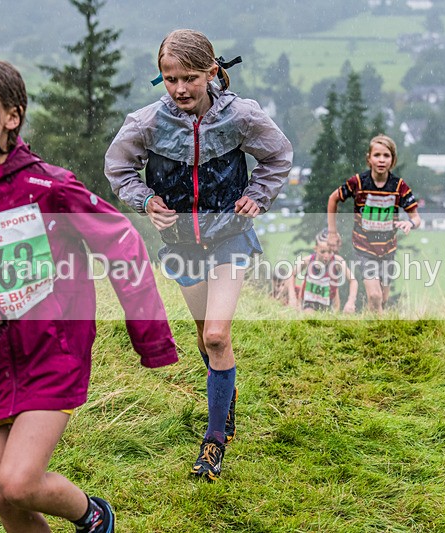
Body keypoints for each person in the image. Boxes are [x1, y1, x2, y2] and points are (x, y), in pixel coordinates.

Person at [0, 58, 178, 533]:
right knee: (2, 496)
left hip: (54, 350)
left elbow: (124, 244)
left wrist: (150, 338)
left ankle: (94, 517)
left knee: (18, 481)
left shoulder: (49, 186)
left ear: (12, 116)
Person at [105, 29, 292, 481]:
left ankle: (213, 442)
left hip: (229, 238)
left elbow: (278, 156)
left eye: (190, 77)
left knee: (215, 335)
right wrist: (146, 201)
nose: (181, 89)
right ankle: (224, 398)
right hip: (182, 246)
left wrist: (258, 195)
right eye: (170, 79)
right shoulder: (148, 122)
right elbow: (118, 167)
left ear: (212, 72)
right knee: (205, 337)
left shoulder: (241, 116)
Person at [326, 134, 421, 313]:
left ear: (393, 160)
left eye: (386, 155)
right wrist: (332, 232)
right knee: (374, 296)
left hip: (387, 249)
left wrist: (410, 224)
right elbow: (333, 198)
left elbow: (416, 218)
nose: (381, 160)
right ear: (369, 158)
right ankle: (378, 336)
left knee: (382, 299)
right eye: (377, 155)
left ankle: (371, 327)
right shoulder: (359, 182)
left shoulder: (399, 186)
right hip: (364, 247)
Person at [288, 229, 358, 314]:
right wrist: (292, 297)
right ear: (315, 248)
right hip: (309, 303)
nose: (326, 256)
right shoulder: (308, 260)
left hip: (328, 305)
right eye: (322, 252)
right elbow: (291, 275)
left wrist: (351, 301)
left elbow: (353, 280)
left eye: (330, 252)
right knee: (310, 315)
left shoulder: (337, 261)